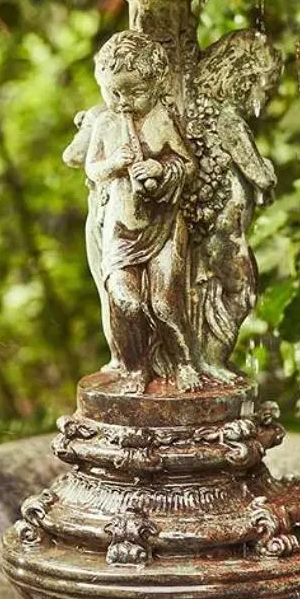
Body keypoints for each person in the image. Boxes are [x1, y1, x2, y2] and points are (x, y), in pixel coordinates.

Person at [65, 30, 202, 393]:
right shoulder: (107, 123)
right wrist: (114, 164)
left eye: (134, 92)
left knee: (165, 302)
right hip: (121, 229)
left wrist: (160, 169)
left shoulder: (161, 119)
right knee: (125, 300)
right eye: (114, 93)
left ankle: (185, 362)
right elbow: (91, 169)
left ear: (157, 84)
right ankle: (135, 367)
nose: (123, 102)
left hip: (162, 226)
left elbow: (188, 165)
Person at [187, 29, 281, 375]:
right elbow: (261, 173)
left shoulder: (209, 114)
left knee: (227, 291)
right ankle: (211, 360)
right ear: (242, 76)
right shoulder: (225, 119)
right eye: (262, 87)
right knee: (241, 292)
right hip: (224, 230)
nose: (262, 98)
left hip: (223, 225)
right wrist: (265, 173)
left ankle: (209, 358)